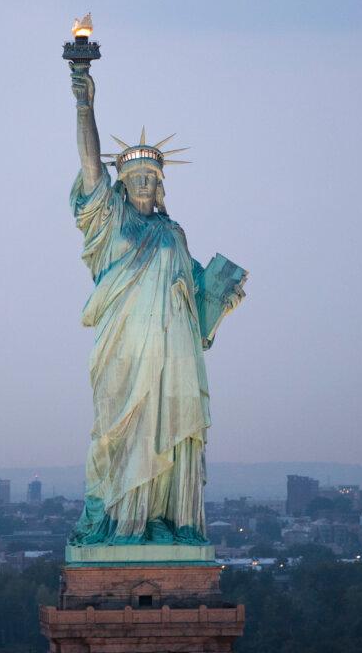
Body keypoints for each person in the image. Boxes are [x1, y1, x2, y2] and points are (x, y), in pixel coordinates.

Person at [66, 62, 242, 546]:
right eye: (135, 176)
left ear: (161, 185)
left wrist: (221, 297)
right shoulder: (110, 222)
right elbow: (88, 165)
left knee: (174, 429)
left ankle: (166, 518)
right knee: (124, 433)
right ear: (121, 185)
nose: (144, 184)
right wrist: (85, 103)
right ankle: (126, 521)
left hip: (176, 352)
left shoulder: (173, 234)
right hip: (125, 350)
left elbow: (195, 305)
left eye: (151, 177)